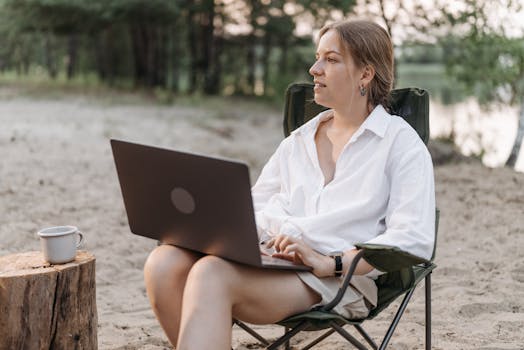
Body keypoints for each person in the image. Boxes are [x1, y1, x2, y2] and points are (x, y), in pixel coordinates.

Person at [143, 19, 435, 350]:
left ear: (365, 74)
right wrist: (217, 232)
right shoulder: (299, 141)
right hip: (275, 260)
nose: (314, 69)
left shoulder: (399, 143)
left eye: (331, 59)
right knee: (163, 264)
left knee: (210, 274)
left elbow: (412, 239)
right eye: (317, 57)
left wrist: (333, 261)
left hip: (337, 278)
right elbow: (253, 207)